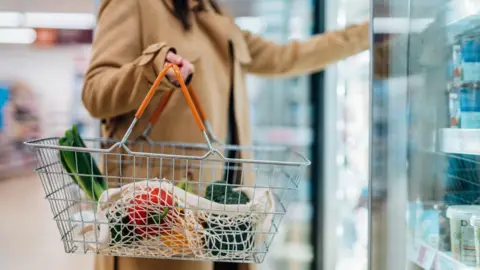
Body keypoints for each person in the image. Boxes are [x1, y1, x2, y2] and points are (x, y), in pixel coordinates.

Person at [82, 0, 370, 270]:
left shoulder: (211, 11)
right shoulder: (135, 4)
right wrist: (153, 68)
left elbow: (284, 58)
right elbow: (95, 94)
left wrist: (366, 34)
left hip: (226, 215)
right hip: (159, 219)